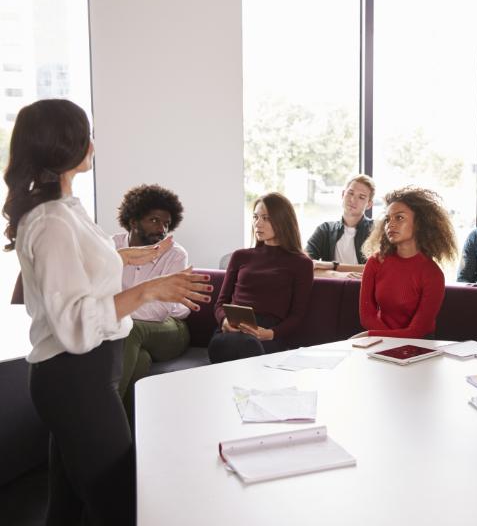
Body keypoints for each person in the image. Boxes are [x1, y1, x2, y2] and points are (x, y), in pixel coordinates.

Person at [2, 99, 211, 526]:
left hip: (80, 375)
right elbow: (75, 322)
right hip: (76, 376)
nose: (93, 144)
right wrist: (151, 288)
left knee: (68, 504)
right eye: (86, 134)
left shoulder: (64, 212)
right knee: (119, 501)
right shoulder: (53, 222)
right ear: (64, 146)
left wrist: (129, 258)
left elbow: (83, 269)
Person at [208, 192, 313, 363]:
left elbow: (297, 316)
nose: (258, 224)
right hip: (232, 328)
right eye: (255, 217)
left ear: (282, 221)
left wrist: (271, 334)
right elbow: (220, 303)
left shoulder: (301, 263)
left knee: (248, 345)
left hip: (268, 333)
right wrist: (224, 321)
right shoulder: (240, 256)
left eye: (266, 218)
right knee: (234, 343)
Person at [113, 184, 190, 409]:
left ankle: (101, 413)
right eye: (154, 220)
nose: (161, 229)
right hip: (129, 333)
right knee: (140, 360)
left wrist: (117, 306)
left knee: (129, 328)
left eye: (166, 223)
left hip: (171, 329)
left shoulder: (175, 255)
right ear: (134, 220)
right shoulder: (111, 248)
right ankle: (126, 435)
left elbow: (159, 311)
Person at [358, 187, 458, 339]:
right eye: (387, 219)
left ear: (419, 223)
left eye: (399, 218)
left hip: (419, 346)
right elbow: (367, 317)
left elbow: (417, 332)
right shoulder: (375, 262)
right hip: (380, 342)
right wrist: (381, 338)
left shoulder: (432, 274)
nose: (390, 225)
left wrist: (370, 335)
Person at [306, 174, 375, 277]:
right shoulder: (325, 230)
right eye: (350, 193)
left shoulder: (376, 231)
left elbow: (379, 268)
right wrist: (336, 274)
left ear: (369, 204)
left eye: (361, 197)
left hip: (363, 289)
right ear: (343, 194)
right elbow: (304, 264)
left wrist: (333, 265)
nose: (353, 200)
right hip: (332, 288)